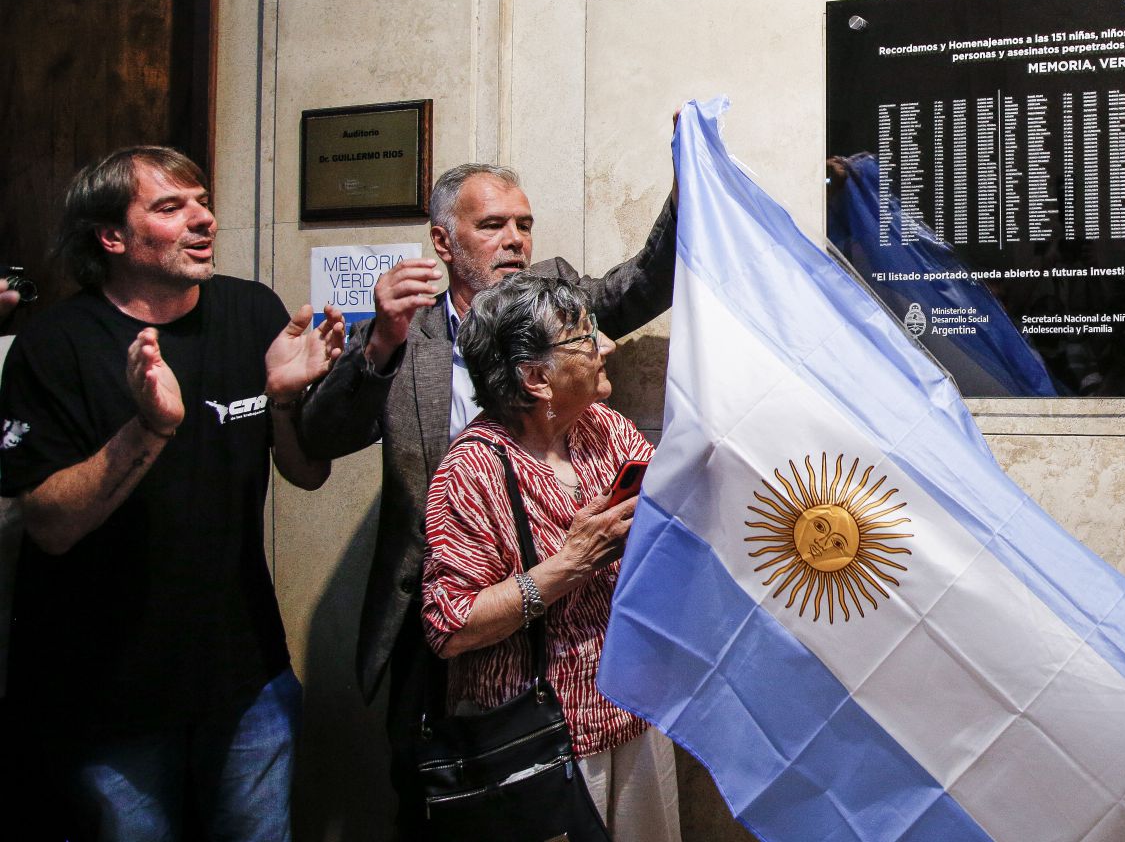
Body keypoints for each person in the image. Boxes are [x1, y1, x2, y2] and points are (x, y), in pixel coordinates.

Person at [296, 161, 676, 832]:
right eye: (492, 225)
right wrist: (378, 343)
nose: (514, 241)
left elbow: (646, 281)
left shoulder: (558, 302)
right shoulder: (405, 330)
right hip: (440, 607)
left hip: (576, 645)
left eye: (523, 225)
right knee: (454, 789)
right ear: (443, 243)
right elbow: (321, 438)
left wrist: (689, 179)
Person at [0, 146, 344, 840]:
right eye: (170, 207)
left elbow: (306, 475)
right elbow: (49, 525)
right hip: (104, 691)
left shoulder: (250, 311)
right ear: (112, 236)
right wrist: (150, 428)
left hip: (245, 678)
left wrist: (285, 403)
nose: (203, 218)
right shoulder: (54, 343)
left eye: (202, 200)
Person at [420, 275, 678, 838]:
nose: (601, 345)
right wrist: (570, 564)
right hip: (540, 741)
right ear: (536, 378)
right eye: (583, 338)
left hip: (634, 712)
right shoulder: (470, 472)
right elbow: (449, 626)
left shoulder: (604, 429)